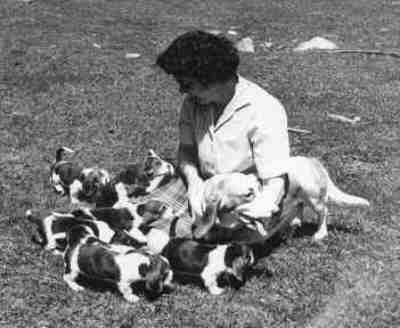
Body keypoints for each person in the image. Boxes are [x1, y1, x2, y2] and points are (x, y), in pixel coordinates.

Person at [155, 30, 290, 234]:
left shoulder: (264, 108)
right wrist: (194, 183)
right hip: (207, 186)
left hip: (246, 196)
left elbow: (275, 179)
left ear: (214, 78)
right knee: (146, 220)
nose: (182, 91)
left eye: (187, 84)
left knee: (191, 244)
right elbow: (186, 152)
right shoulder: (192, 103)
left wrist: (263, 206)